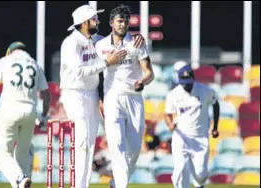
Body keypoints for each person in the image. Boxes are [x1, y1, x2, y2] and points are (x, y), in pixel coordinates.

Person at [60, 4, 145, 188]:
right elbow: (79, 72)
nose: (97, 21)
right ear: (84, 23)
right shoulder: (70, 43)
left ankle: (85, 185)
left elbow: (115, 40)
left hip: (91, 94)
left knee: (89, 143)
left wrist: (136, 37)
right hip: (74, 93)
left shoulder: (97, 40)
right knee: (82, 140)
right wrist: (106, 62)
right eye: (93, 19)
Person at [0, 41, 51, 188]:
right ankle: (23, 181)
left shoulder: (5, 61)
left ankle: (19, 178)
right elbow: (46, 95)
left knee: (2, 156)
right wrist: (43, 117)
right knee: (23, 153)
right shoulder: (35, 64)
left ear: (10, 52)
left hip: (9, 110)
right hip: (30, 112)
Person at [95, 4, 154, 188]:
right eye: (120, 21)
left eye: (126, 21)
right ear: (112, 22)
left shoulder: (137, 43)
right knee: (116, 144)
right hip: (112, 97)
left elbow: (149, 72)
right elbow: (96, 75)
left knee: (135, 149)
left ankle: (116, 182)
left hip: (134, 98)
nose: (123, 24)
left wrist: (143, 81)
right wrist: (100, 100)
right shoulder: (100, 45)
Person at [164, 61, 220, 188]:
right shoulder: (173, 94)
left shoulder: (205, 91)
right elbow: (167, 114)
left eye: (188, 84)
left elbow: (215, 104)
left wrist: (215, 127)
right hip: (181, 138)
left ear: (193, 79)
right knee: (180, 170)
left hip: (200, 138)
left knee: (200, 174)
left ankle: (200, 181)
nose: (186, 87)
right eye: (183, 84)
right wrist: (170, 124)